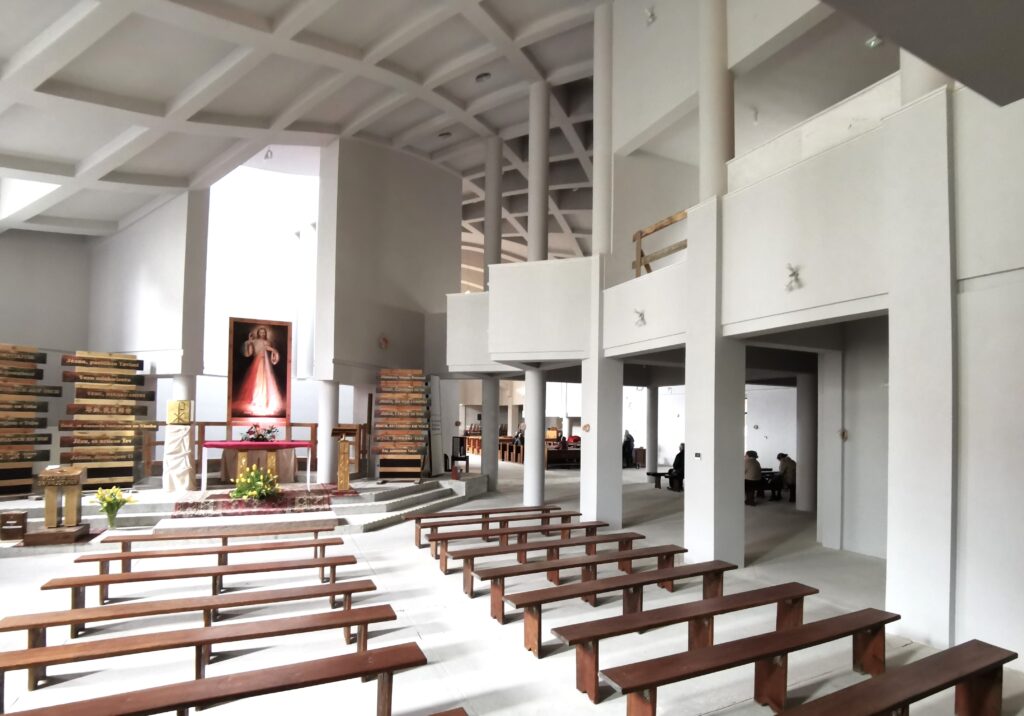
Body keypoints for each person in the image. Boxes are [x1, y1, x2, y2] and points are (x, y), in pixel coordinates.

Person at [235, 326, 284, 417]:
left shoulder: (268, 342)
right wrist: (249, 342)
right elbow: (249, 353)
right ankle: (258, 401)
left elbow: (270, 350)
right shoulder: (254, 341)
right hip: (258, 363)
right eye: (260, 332)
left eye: (263, 332)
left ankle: (264, 401)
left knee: (265, 381)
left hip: (266, 364)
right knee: (258, 381)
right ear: (258, 333)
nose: (262, 334)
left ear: (265, 333)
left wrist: (274, 351)